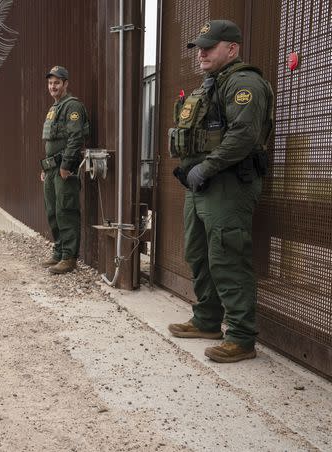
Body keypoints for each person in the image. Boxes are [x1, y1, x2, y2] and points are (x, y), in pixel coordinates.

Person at [166, 20, 273, 363]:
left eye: (209, 47)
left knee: (227, 257)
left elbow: (243, 136)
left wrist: (204, 168)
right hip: (202, 185)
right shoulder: (211, 86)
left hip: (228, 184)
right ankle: (208, 320)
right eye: (200, 47)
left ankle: (241, 337)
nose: (202, 53)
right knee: (198, 254)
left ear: (232, 48)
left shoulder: (245, 83)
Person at [40, 65, 89, 274]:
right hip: (51, 169)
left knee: (65, 211)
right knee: (52, 211)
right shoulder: (54, 108)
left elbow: (75, 137)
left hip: (64, 169)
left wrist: (66, 165)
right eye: (50, 83)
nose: (53, 86)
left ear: (65, 84)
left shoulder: (72, 106)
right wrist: (46, 167)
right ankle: (59, 252)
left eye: (57, 83)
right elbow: (51, 140)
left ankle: (69, 257)